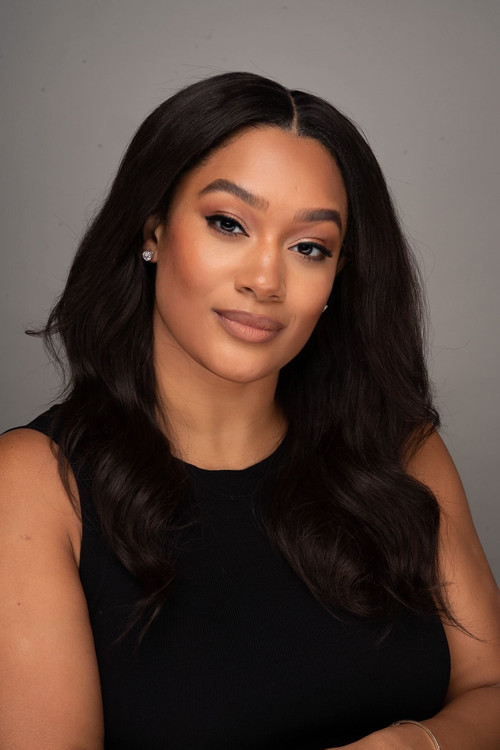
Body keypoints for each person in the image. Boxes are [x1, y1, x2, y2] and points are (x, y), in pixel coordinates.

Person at [1, 71, 499, 750]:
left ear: (337, 277)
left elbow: (490, 688)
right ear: (153, 230)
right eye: (228, 224)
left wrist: (409, 746)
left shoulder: (400, 451)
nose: (265, 281)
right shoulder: (34, 483)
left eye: (309, 247)